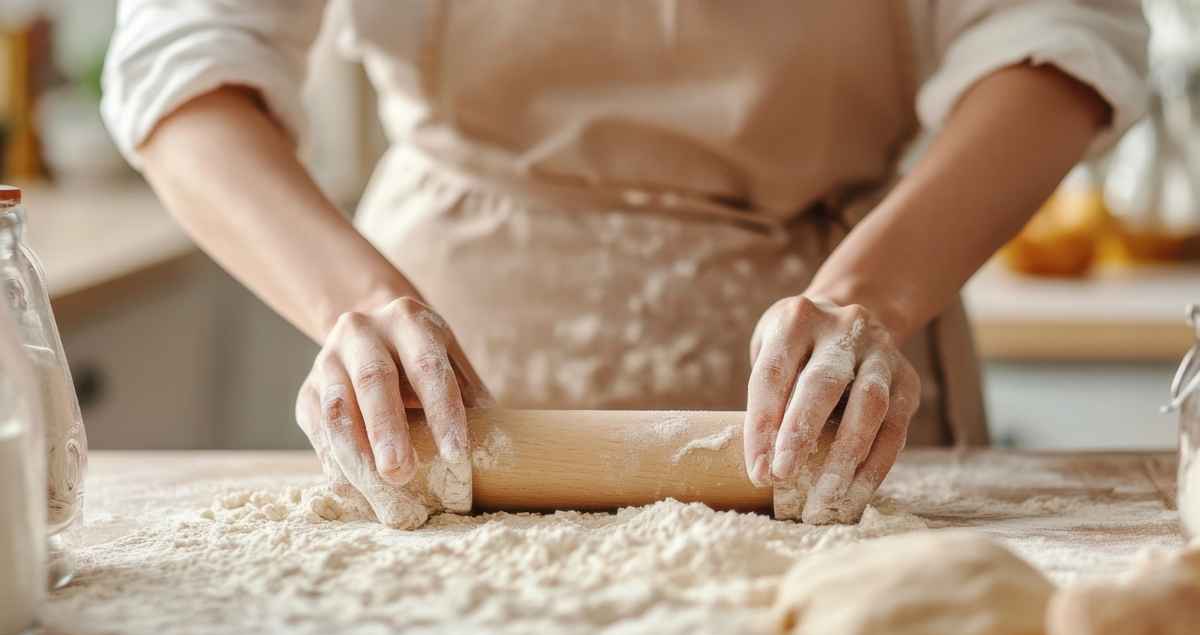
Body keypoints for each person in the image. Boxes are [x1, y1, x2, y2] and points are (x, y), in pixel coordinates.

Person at [102, 2, 1148, 525]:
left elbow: (1060, 29)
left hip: (837, 378)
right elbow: (185, 60)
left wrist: (870, 293)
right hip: (455, 388)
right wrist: (356, 306)